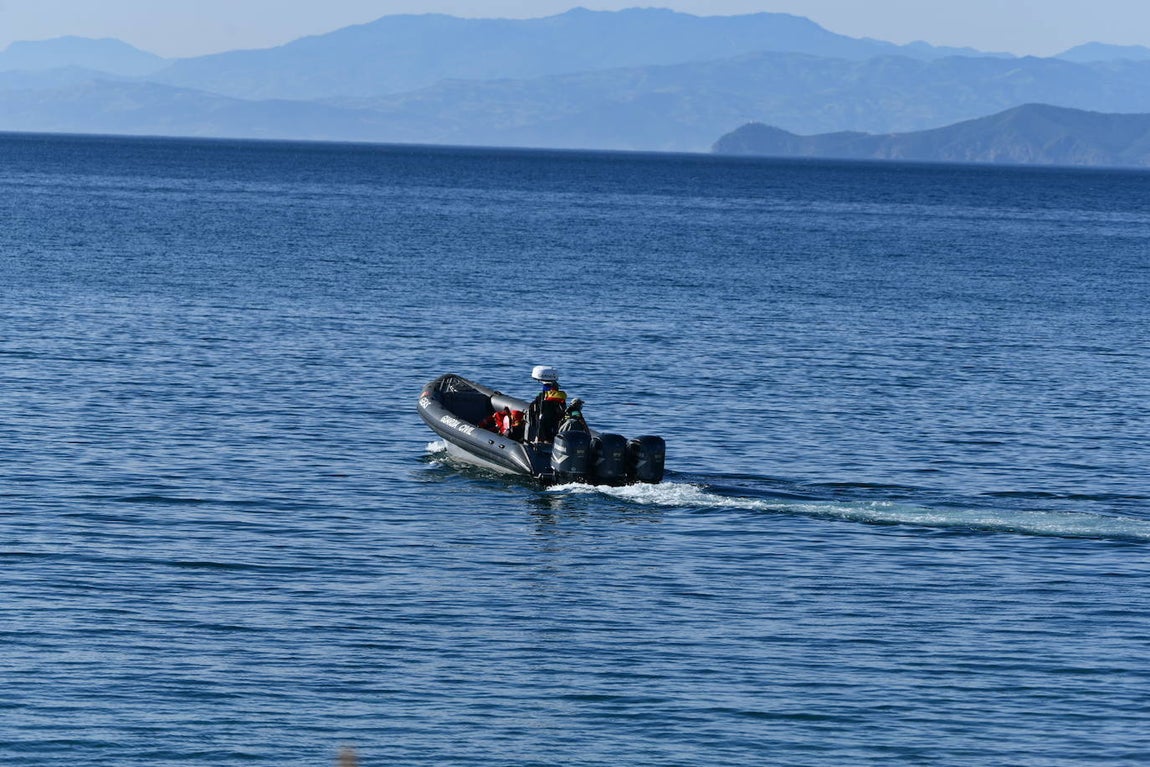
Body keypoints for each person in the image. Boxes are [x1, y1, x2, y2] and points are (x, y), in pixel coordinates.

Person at [525, 365, 567, 443]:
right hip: (552, 422)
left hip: (546, 421)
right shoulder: (560, 398)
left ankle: (541, 440)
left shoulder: (544, 397)